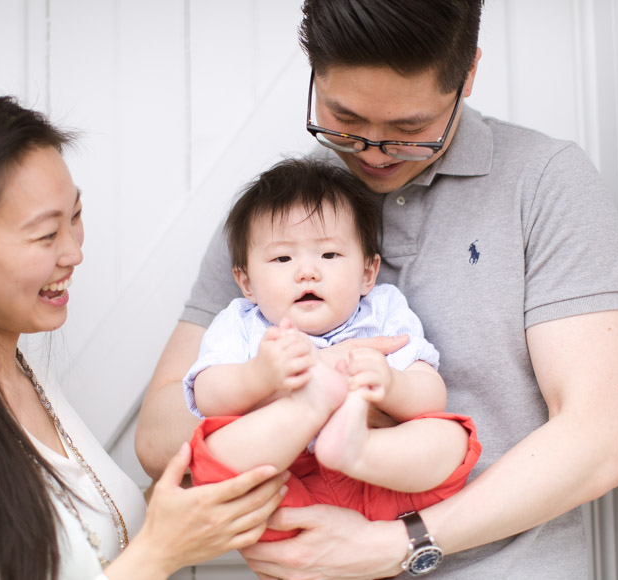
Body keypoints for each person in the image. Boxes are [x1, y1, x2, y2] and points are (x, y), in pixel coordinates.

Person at [136, 0, 618, 578]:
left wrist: (399, 542)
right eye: (343, 118)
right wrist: (304, 388)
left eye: (409, 130)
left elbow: (597, 441)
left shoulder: (546, 183)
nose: (371, 151)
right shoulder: (279, 219)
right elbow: (157, 437)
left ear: (468, 74)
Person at [0, 89, 288, 580]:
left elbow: (85, 545)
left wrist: (179, 503)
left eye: (75, 217)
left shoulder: (27, 378)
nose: (73, 252)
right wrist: (160, 552)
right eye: (45, 234)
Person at [184, 159, 481, 542]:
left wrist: (392, 385)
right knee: (212, 455)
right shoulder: (241, 324)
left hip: (382, 480)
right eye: (282, 258)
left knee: (450, 436)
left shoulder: (383, 310)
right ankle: (310, 405)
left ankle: (354, 450)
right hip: (288, 487)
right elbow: (209, 397)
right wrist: (258, 375)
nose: (307, 272)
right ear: (247, 283)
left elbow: (430, 393)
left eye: (328, 255)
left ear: (367, 274)